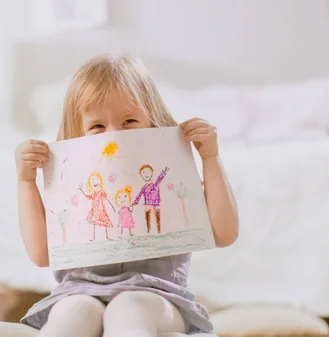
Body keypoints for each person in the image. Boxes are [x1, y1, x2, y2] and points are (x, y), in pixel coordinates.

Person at [14, 53, 239, 337]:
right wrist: (25, 180)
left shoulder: (173, 168)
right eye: (97, 126)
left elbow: (224, 233)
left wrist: (210, 157)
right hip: (78, 293)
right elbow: (41, 254)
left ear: (153, 121)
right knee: (75, 313)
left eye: (129, 121)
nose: (114, 135)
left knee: (129, 306)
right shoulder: (69, 178)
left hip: (159, 296)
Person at [133, 165, 169, 234]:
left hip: (156, 204)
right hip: (148, 205)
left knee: (157, 217)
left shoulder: (155, 184)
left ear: (152, 172)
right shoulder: (144, 187)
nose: (146, 174)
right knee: (148, 217)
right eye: (143, 172)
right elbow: (139, 195)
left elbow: (159, 179)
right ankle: (148, 230)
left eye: (148, 171)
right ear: (141, 175)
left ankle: (159, 231)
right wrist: (135, 202)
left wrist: (164, 172)